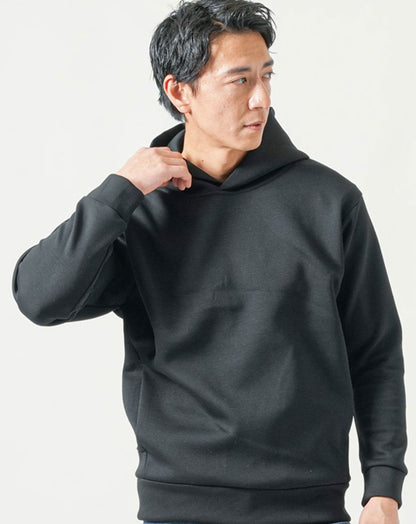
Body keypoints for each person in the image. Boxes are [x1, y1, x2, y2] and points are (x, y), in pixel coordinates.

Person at [11, 0, 407, 523]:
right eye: (240, 80)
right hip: (176, 506)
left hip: (308, 506)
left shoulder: (330, 202)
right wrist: (119, 191)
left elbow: (374, 350)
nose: (261, 98)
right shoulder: (140, 211)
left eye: (266, 75)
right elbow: (39, 298)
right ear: (180, 93)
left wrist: (384, 487)